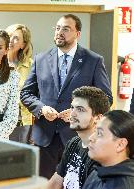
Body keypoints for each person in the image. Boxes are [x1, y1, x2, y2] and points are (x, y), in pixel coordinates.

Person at [20, 14, 113, 179]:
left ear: (77, 34)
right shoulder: (40, 59)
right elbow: (26, 93)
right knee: (45, 184)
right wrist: (41, 108)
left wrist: (79, 112)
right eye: (57, 28)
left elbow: (106, 98)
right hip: (44, 140)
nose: (59, 32)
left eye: (65, 29)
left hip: (78, 138)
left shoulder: (93, 61)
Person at [47, 86, 110, 189]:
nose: (73, 114)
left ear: (98, 118)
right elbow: (56, 181)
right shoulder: (74, 143)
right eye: (72, 108)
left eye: (80, 109)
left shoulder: (100, 153)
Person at [83, 110, 134, 189]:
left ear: (120, 145)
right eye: (95, 131)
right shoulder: (99, 171)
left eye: (99, 133)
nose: (91, 138)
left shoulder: (125, 185)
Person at [6, 24, 33, 143]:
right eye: (9, 36)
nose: (11, 40)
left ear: (23, 44)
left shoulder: (32, 66)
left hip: (23, 122)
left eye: (16, 38)